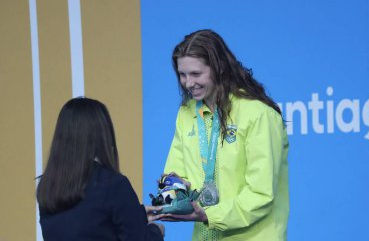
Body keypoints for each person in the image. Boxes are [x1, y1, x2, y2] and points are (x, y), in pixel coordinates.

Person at [161, 29, 289, 240]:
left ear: (219, 68)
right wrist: (169, 195)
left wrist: (209, 214)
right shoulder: (186, 113)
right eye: (182, 75)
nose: (187, 83)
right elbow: (175, 173)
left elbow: (261, 193)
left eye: (196, 74)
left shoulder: (258, 114)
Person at [36, 97, 165, 241]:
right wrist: (156, 231)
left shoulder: (47, 186)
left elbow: (84, 222)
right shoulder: (113, 184)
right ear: (102, 134)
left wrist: (137, 216)